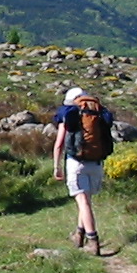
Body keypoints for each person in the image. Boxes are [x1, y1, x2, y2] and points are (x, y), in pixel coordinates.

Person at [52, 86, 119, 256]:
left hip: (76, 162)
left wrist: (56, 166)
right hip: (96, 163)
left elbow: (59, 143)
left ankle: (93, 240)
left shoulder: (70, 114)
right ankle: (79, 235)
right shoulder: (98, 112)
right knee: (86, 201)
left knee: (83, 202)